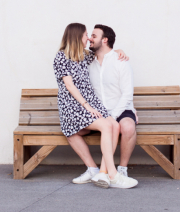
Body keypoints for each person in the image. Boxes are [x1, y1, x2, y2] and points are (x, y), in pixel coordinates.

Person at [53, 23, 138, 189]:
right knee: (107, 126)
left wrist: (118, 50)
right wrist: (87, 106)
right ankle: (111, 174)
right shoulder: (61, 56)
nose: (89, 38)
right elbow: (70, 86)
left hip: (90, 106)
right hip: (75, 106)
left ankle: (101, 172)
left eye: (91, 36)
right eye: (87, 35)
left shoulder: (85, 56)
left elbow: (106, 53)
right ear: (77, 36)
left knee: (113, 124)